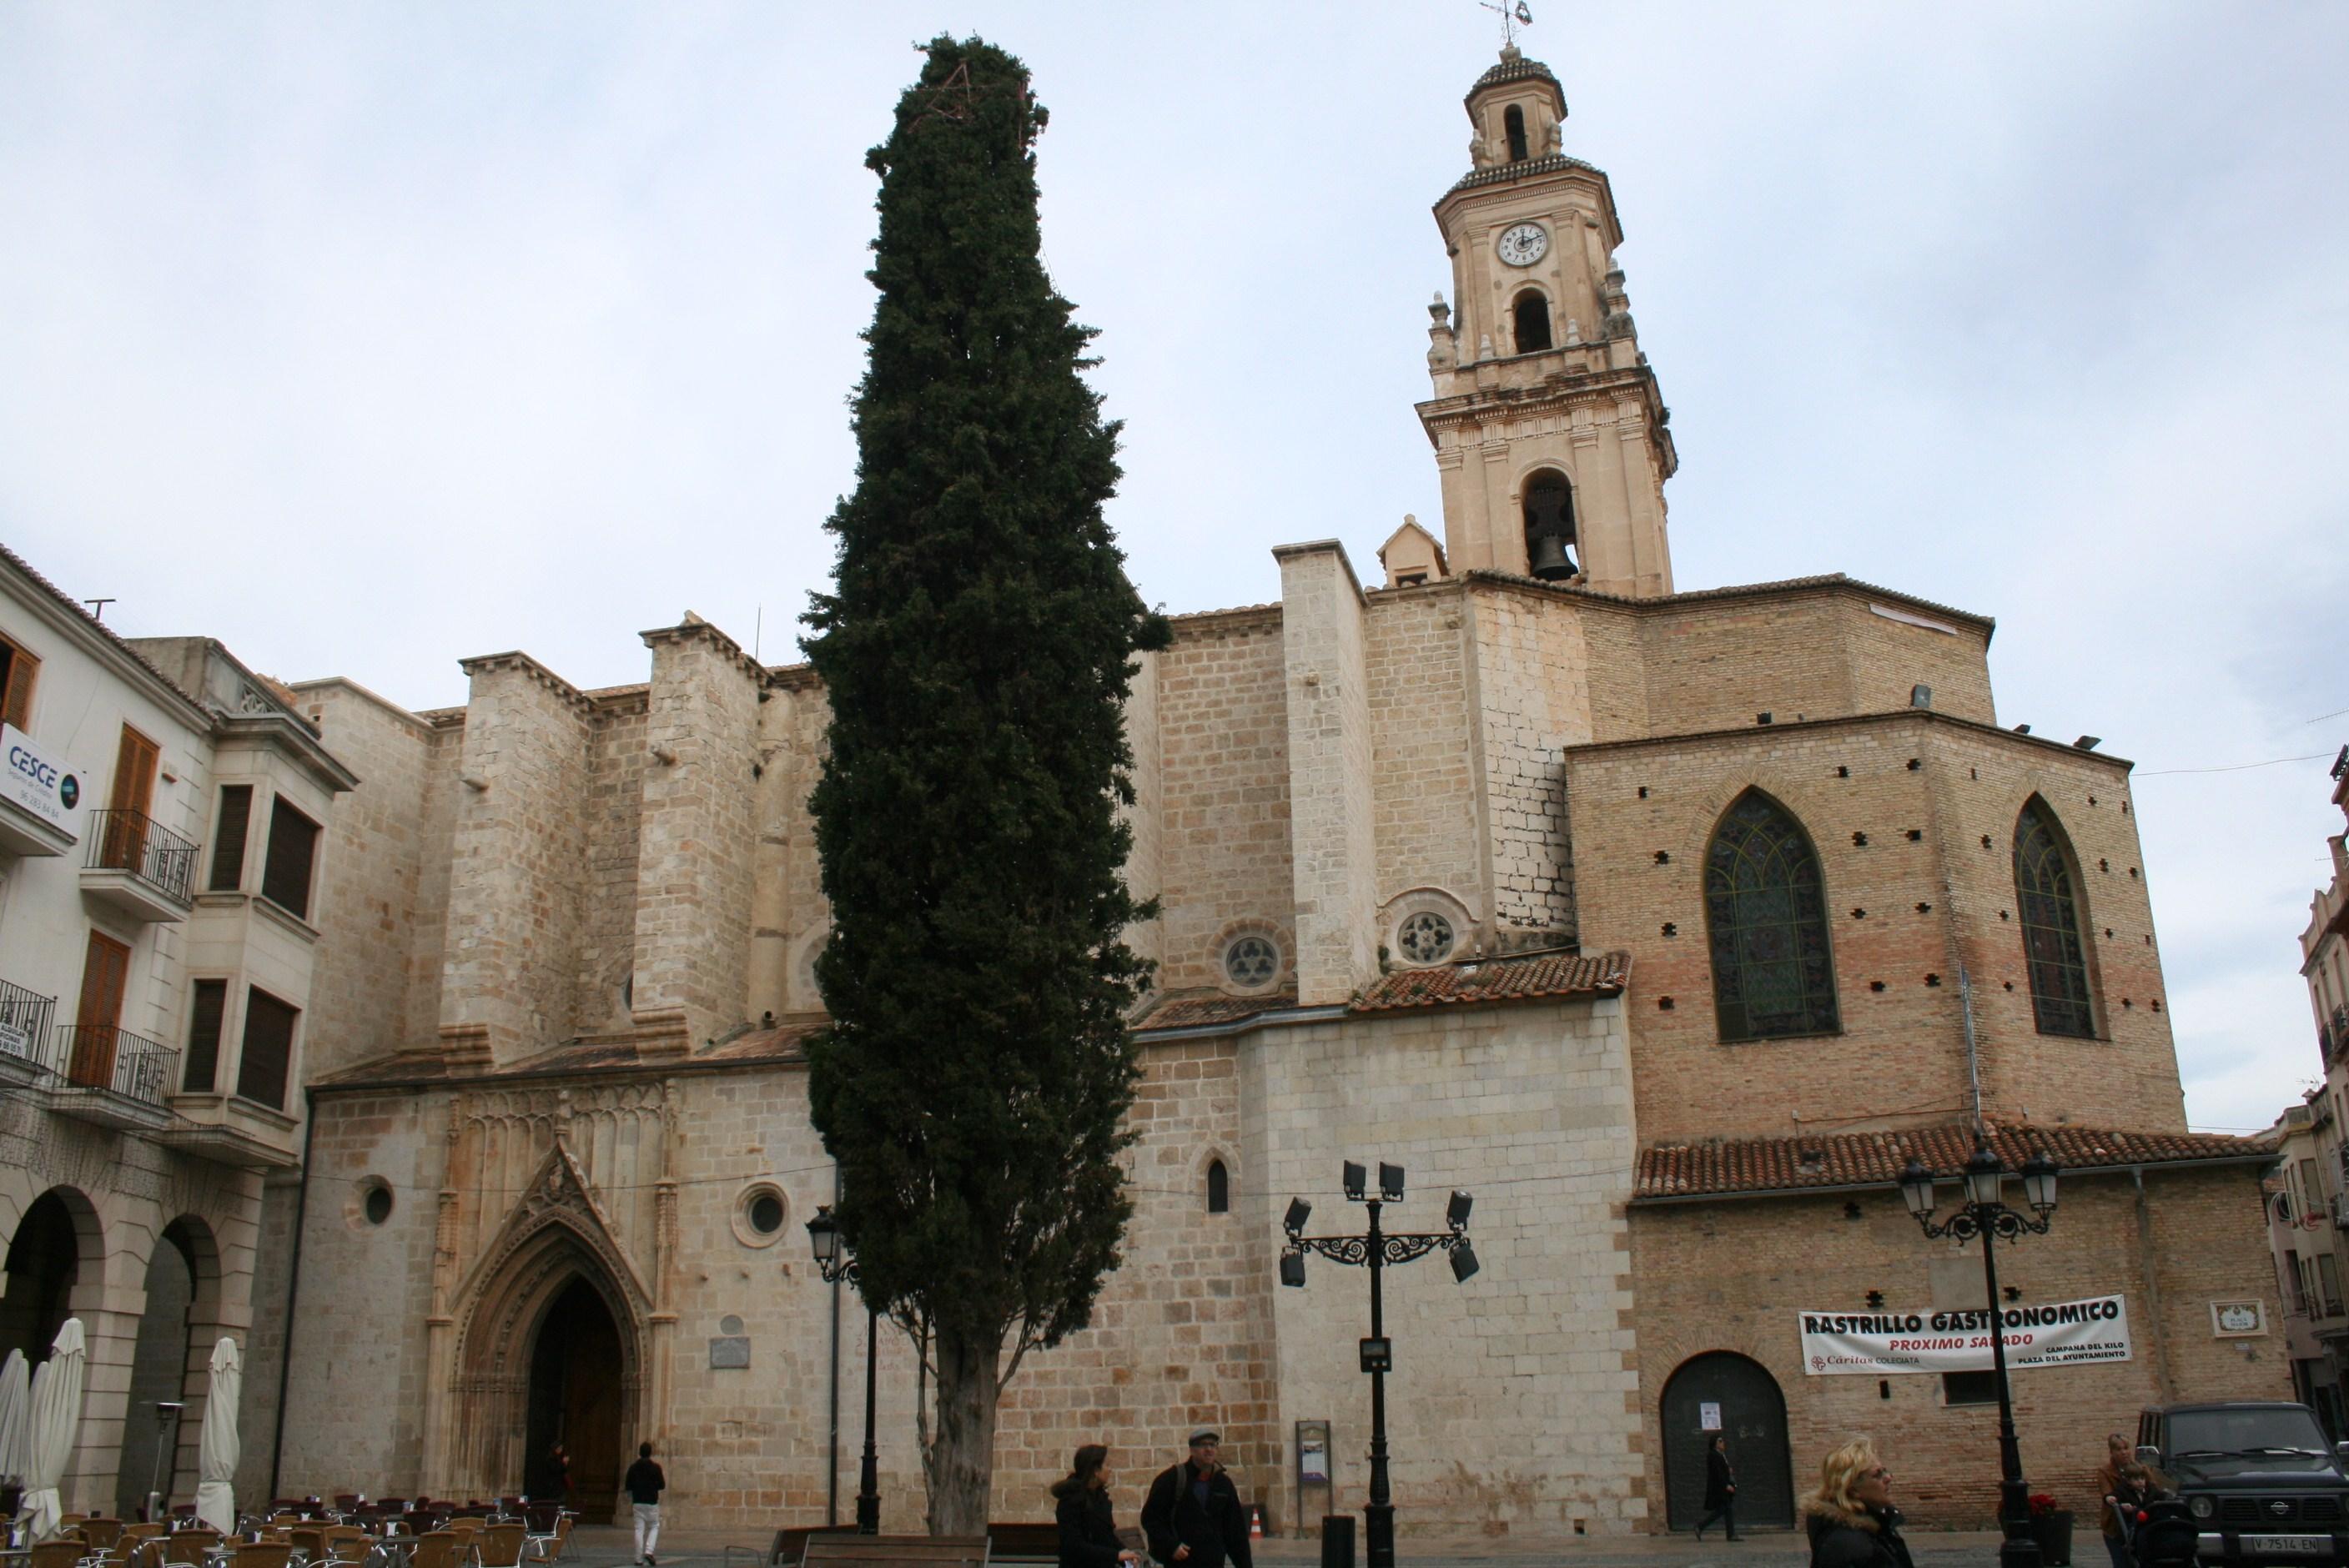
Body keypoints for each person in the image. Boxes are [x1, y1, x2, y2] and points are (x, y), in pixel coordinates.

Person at [1141, 1428, 1253, 1568]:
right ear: (1192, 1450)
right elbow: (1150, 1518)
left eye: (1213, 1445)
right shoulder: (1172, 1479)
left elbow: (1236, 1532)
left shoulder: (1223, 1484)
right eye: (1203, 1445)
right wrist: (1171, 1546)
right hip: (1181, 1562)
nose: (1209, 1449)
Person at [1803, 1439, 1914, 1568]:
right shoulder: (1851, 1546)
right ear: (1853, 1489)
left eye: (1885, 1471)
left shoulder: (1877, 1526)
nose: (1888, 1478)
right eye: (1877, 1475)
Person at [1052, 1445, 1143, 1568]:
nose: (1110, 1470)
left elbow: (1107, 1536)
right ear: (1096, 1470)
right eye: (1107, 1465)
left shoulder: (1101, 1499)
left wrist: (1125, 1554)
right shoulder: (1070, 1502)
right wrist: (1115, 1555)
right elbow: (1074, 1546)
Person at [2097, 1431, 2155, 1568]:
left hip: (2142, 1521)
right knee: (2122, 1563)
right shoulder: (2105, 1472)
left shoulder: (2141, 1468)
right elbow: (2107, 1493)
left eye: (2126, 1448)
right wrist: (2112, 1500)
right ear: (2111, 1452)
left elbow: (2153, 1488)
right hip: (2116, 1526)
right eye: (2119, 1449)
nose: (2124, 1453)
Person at [624, 1440, 666, 1566]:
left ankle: (638, 1559)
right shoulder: (656, 1468)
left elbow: (628, 1485)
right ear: (650, 1453)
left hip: (638, 1502)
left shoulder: (633, 1468)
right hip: (652, 1502)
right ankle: (649, 1551)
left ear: (639, 1453)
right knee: (654, 1526)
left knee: (639, 1529)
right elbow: (662, 1485)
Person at [1696, 1433, 1739, 1542]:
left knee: (1724, 1510)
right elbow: (1717, 1473)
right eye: (1720, 1441)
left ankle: (1701, 1527)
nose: (1723, 1443)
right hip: (1719, 1488)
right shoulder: (1713, 1455)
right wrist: (1726, 1485)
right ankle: (1730, 1534)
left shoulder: (1720, 1454)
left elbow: (1722, 1470)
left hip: (1721, 1487)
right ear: (1715, 1444)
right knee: (1725, 1509)